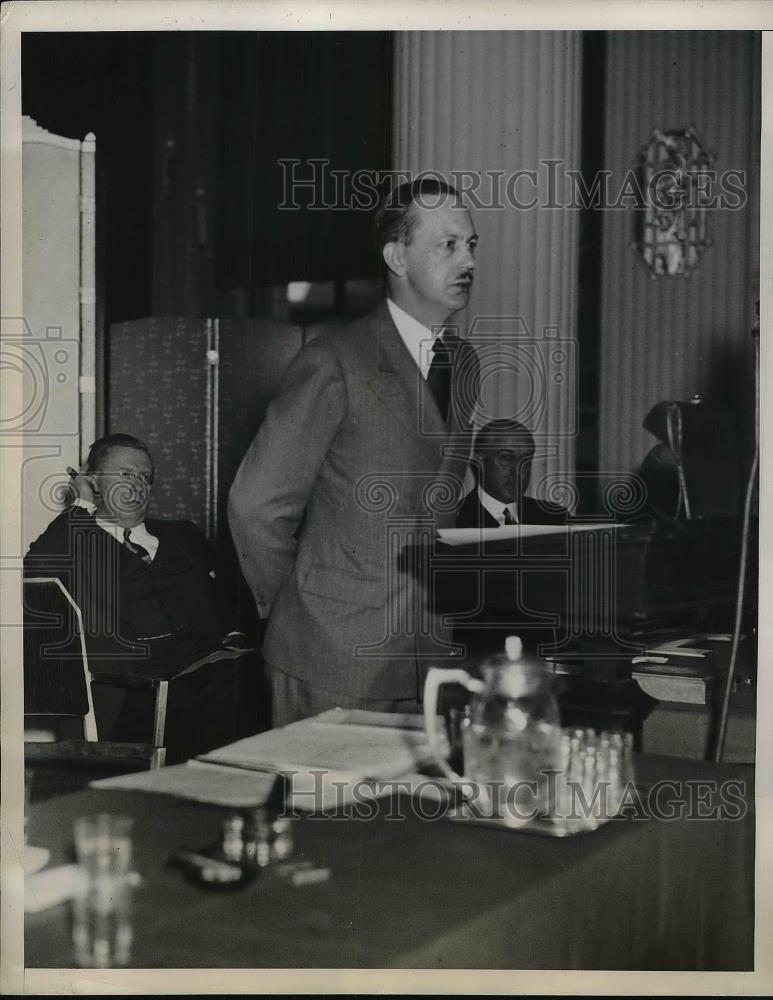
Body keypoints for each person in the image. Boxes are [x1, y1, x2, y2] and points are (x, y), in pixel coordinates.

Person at [228, 178, 480, 726]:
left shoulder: (463, 366)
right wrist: (301, 607)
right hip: (331, 660)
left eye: (471, 245)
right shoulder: (336, 360)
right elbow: (254, 506)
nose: (467, 260)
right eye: (448, 244)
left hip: (427, 657)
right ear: (397, 256)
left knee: (410, 813)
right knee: (322, 813)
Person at [24, 433, 248, 762]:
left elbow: (233, 600)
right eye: (127, 474)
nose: (139, 485)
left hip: (211, 671)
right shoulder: (75, 541)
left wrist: (234, 635)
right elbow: (34, 574)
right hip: (130, 688)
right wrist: (82, 503)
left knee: (245, 678)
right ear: (93, 480)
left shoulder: (184, 535)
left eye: (146, 477)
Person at [456, 418, 566, 527]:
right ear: (480, 461)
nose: (518, 472)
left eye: (526, 461)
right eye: (506, 458)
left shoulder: (556, 519)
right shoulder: (455, 521)